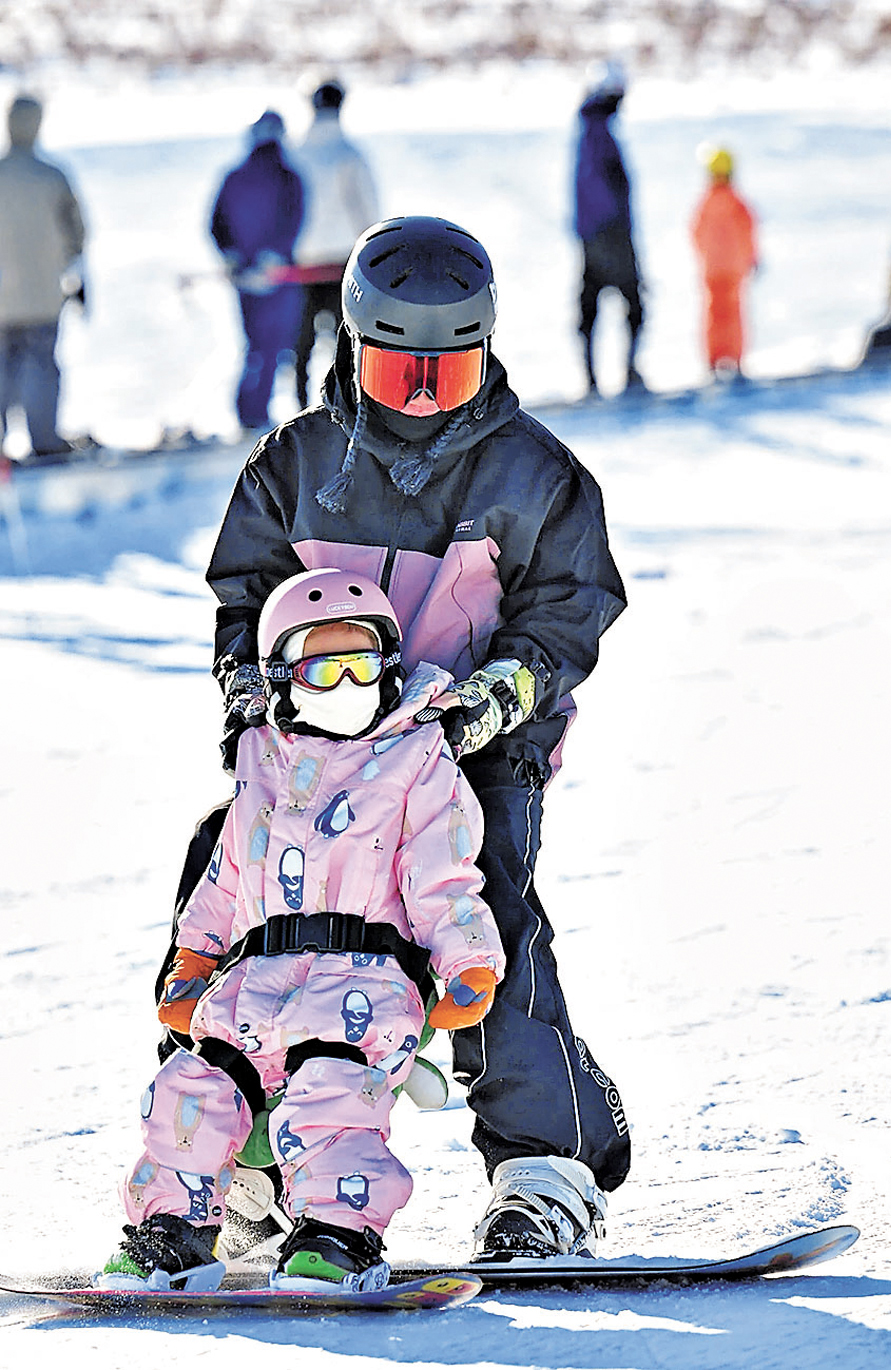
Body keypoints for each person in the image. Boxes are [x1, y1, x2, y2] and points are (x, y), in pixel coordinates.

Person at [201, 214, 631, 1265]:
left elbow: (570, 607)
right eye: (402, 375)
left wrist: (506, 689)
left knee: (482, 915)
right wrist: (252, 694)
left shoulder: (534, 475)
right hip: (316, 746)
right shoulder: (296, 463)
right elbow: (244, 593)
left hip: (474, 739)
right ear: (353, 347)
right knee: (253, 925)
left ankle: (547, 1167)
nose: (428, 397)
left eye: (452, 372)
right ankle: (245, 1158)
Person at [99, 568, 505, 1293]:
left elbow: (443, 872)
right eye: (324, 669)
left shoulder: (417, 759)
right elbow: (226, 874)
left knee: (331, 1097)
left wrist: (467, 961)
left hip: (364, 982)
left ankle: (336, 1237)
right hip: (253, 980)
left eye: (363, 665)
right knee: (191, 1088)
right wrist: (193, 958)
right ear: (284, 678)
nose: (347, 683)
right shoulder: (261, 760)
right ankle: (173, 1234)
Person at [0, 94, 86, 464]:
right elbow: (77, 235)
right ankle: (45, 442)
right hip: (43, 298)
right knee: (41, 369)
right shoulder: (53, 177)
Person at [210, 110, 305, 434]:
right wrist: (271, 258)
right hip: (275, 277)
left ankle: (248, 412)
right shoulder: (288, 177)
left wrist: (233, 257)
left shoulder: (234, 177)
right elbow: (294, 221)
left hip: (249, 277)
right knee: (272, 346)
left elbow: (216, 226)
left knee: (255, 345)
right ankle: (254, 414)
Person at [291, 79, 379, 408]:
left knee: (301, 343)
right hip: (341, 263)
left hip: (302, 263)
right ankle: (344, 406)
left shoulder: (294, 153)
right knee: (345, 342)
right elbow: (368, 210)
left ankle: (300, 407)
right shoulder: (350, 154)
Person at [573, 60, 645, 396]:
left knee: (591, 306)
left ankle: (593, 378)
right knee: (633, 302)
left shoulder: (590, 128)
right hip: (608, 233)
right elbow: (601, 188)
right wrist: (613, 230)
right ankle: (625, 372)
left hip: (593, 232)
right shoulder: (598, 132)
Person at [690, 145, 758, 378]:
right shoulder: (737, 202)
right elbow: (749, 232)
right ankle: (735, 358)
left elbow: (695, 233)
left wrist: (704, 257)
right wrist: (751, 258)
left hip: (712, 269)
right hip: (734, 269)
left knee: (713, 314)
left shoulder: (705, 203)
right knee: (733, 313)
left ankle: (713, 359)